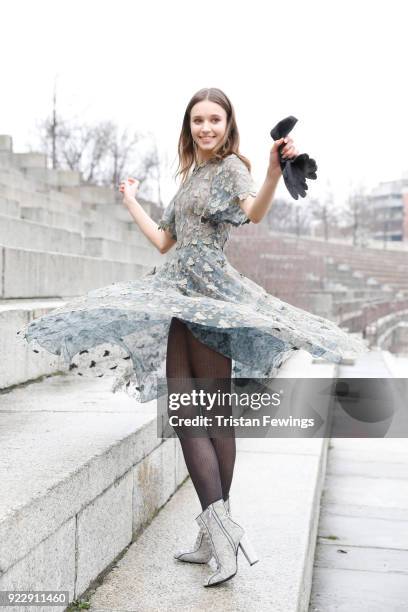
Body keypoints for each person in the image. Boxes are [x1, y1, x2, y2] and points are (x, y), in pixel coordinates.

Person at [19, 87, 368, 588]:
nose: (206, 128)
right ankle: (216, 533)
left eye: (215, 120)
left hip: (210, 299)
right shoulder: (189, 178)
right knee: (190, 413)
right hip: (177, 296)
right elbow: (165, 241)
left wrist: (272, 171)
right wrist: (131, 200)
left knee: (203, 413)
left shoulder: (231, 169)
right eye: (198, 120)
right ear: (189, 126)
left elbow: (254, 212)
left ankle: (220, 533)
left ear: (228, 125)